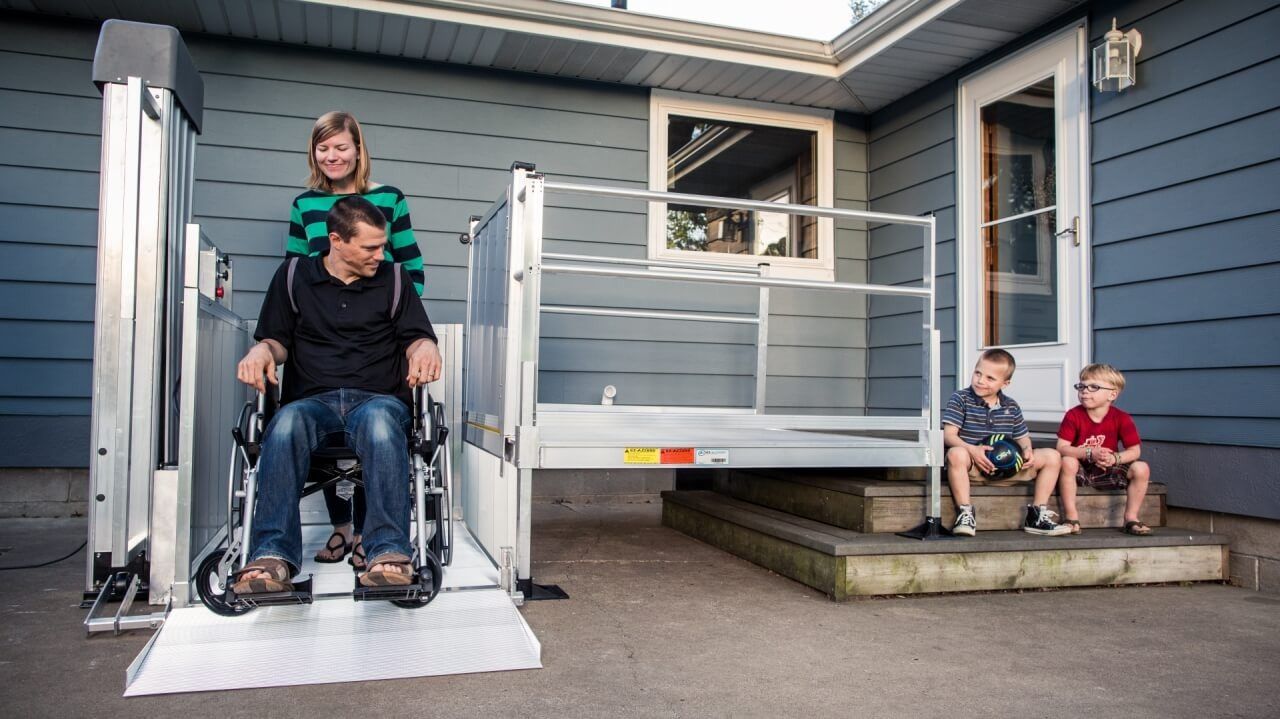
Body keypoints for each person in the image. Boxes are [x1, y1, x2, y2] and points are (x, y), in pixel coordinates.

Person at [231, 196, 443, 593]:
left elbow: (415, 338)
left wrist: (425, 347)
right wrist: (262, 349)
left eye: (383, 245)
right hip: (313, 402)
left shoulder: (395, 279)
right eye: (371, 247)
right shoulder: (293, 276)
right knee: (286, 422)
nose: (381, 254)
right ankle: (272, 557)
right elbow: (276, 341)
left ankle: (388, 554)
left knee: (381, 426)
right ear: (337, 241)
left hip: (377, 400)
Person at [287, 111, 427, 568]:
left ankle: (371, 533)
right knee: (321, 405)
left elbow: (408, 266)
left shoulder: (389, 198)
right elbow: (295, 271)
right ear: (314, 153)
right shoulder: (304, 204)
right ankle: (340, 529)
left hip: (377, 330)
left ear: (358, 149)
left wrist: (396, 318)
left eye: (341, 147)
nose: (332, 156)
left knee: (374, 418)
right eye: (323, 148)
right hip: (322, 332)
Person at [942, 348, 1070, 537]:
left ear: (1006, 383)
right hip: (974, 468)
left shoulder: (1011, 405)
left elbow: (1022, 437)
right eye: (978, 373)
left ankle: (1036, 515)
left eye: (990, 378)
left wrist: (1027, 450)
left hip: (1008, 467)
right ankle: (965, 513)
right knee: (955, 453)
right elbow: (949, 435)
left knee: (1052, 456)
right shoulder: (960, 399)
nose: (980, 381)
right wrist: (973, 450)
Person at [1055, 364, 1152, 536]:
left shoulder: (1121, 418)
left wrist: (1115, 458)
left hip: (1107, 468)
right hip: (1082, 470)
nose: (1085, 391)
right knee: (1067, 461)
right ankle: (1071, 517)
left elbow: (1134, 451)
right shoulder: (1073, 415)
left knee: (1141, 468)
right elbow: (1061, 447)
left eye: (1094, 387)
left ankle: (1131, 518)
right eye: (1082, 386)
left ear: (1112, 394)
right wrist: (1089, 453)